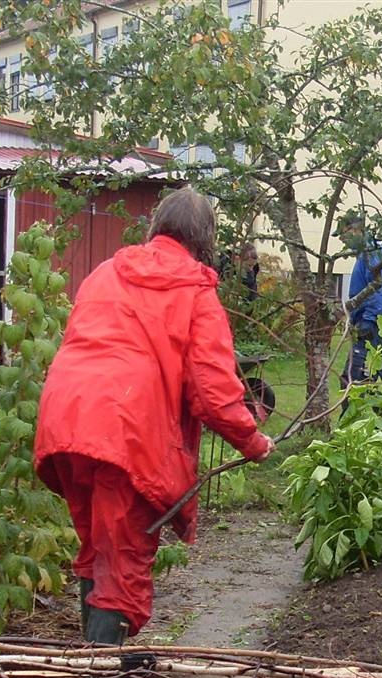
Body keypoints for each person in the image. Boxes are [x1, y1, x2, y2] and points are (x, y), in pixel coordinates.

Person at [34, 188, 273, 647]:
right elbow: (214, 392)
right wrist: (254, 442)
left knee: (99, 549)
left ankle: (91, 664)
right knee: (122, 565)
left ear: (157, 226)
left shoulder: (106, 273)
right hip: (125, 435)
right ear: (205, 239)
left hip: (66, 421)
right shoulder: (196, 292)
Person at [343, 212, 382, 386]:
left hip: (372, 324)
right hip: (379, 323)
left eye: (343, 233)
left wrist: (367, 322)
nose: (341, 239)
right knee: (376, 372)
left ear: (356, 231)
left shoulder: (371, 254)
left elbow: (381, 290)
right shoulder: (378, 250)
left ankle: (364, 411)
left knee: (354, 378)